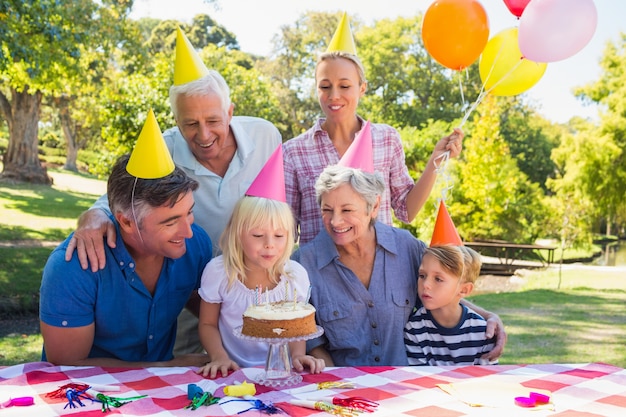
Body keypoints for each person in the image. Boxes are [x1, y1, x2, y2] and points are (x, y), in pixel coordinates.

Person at [63, 28, 282, 355]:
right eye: (190, 124)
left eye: (213, 120)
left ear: (230, 112)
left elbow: (279, 207)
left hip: (256, 285)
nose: (203, 134)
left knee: (263, 368)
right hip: (189, 287)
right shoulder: (164, 147)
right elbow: (124, 197)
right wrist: (94, 216)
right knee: (187, 373)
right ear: (176, 120)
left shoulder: (266, 136)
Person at [292, 165, 505, 366]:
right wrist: (340, 383)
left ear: (374, 206)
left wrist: (487, 316)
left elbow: (442, 290)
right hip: (344, 389)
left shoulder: (407, 247)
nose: (335, 221)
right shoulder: (304, 264)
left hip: (405, 383)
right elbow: (311, 342)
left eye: (347, 210)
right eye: (327, 210)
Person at [40, 151, 212, 367]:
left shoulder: (196, 245)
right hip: (90, 394)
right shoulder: (73, 267)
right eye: (170, 222)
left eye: (189, 212)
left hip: (166, 392)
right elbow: (67, 365)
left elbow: (205, 303)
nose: (188, 232)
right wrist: (167, 367)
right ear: (127, 222)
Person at [283, 44, 463, 244]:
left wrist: (435, 161)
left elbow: (406, 211)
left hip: (380, 269)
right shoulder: (293, 151)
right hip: (318, 271)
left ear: (362, 88)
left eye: (344, 86)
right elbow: (284, 228)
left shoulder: (386, 139)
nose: (334, 95)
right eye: (325, 86)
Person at [196, 195, 325, 378]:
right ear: (237, 233)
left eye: (279, 235)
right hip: (233, 371)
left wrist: (298, 355)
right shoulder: (219, 272)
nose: (270, 245)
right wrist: (219, 357)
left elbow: (296, 327)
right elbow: (207, 323)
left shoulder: (295, 275)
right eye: (258, 235)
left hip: (281, 372)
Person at [404, 245, 496, 366]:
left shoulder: (483, 332)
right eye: (422, 276)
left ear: (464, 290)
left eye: (438, 279)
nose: (425, 284)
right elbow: (418, 378)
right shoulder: (414, 329)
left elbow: (488, 380)